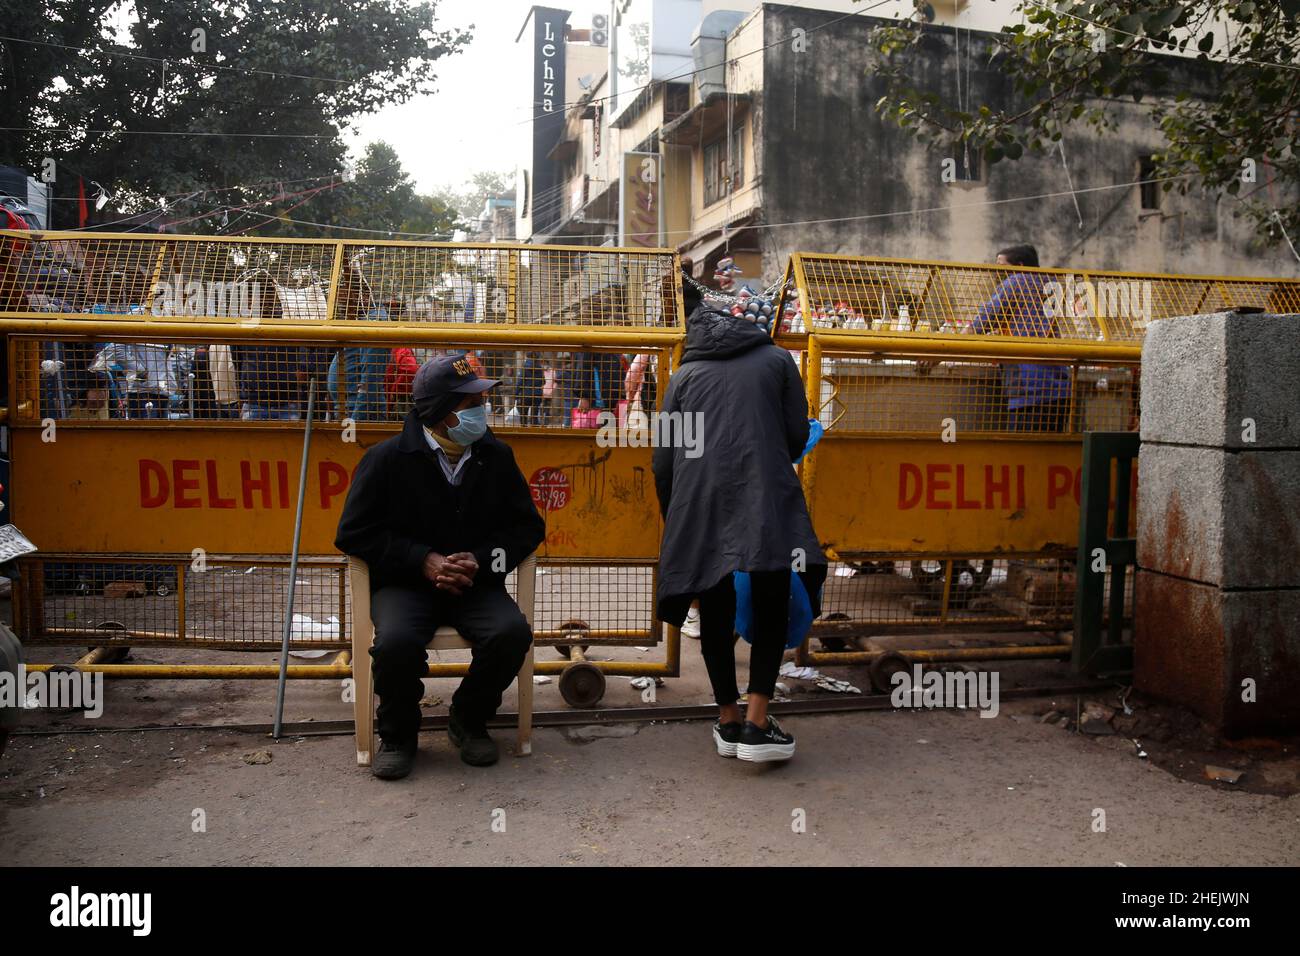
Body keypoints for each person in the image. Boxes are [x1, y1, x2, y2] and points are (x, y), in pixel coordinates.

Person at [335, 354, 545, 780]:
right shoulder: (387, 459)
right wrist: (421, 560)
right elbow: (354, 534)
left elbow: (526, 528)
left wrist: (481, 560)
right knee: (394, 645)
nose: (481, 411)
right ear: (439, 413)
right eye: (471, 404)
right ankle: (398, 735)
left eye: (482, 401)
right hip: (405, 586)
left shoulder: (496, 457)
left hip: (476, 584)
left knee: (511, 634)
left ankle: (468, 719)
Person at [653, 273, 827, 763]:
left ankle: (727, 718)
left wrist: (679, 517)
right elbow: (796, 436)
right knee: (771, 597)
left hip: (699, 502)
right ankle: (757, 721)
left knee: (715, 601)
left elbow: (663, 457)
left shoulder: (683, 376)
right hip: (765, 496)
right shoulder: (777, 360)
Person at [965, 243, 1072, 432]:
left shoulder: (1017, 282)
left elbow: (983, 321)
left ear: (1020, 267)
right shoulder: (1049, 284)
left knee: (1021, 452)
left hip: (1030, 388)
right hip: (1060, 388)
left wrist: (936, 355)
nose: (997, 274)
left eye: (1002, 268)